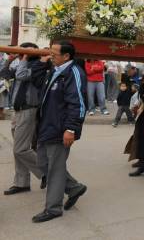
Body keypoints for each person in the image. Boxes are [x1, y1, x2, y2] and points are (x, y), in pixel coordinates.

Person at [32, 41, 88, 223]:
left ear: (66, 56)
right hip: (45, 126)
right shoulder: (54, 69)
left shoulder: (73, 73)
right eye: (50, 51)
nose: (50, 55)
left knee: (55, 169)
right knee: (42, 164)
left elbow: (78, 104)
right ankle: (73, 187)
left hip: (60, 128)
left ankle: (53, 208)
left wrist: (70, 129)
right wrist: (41, 64)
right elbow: (38, 83)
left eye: (54, 53)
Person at [1, 43, 48, 196]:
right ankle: (21, 183)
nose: (20, 55)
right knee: (19, 150)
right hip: (18, 111)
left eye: (23, 52)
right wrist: (9, 60)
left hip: (28, 109)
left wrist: (24, 58)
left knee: (20, 149)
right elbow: (4, 73)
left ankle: (47, 172)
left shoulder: (38, 66)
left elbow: (21, 75)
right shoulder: (24, 64)